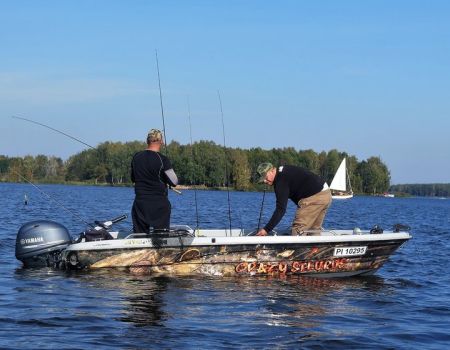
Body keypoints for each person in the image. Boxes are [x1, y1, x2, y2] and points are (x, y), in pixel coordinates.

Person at [255, 162, 331, 236]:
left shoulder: (280, 181)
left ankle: (298, 249)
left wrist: (266, 229)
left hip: (314, 197)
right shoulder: (283, 170)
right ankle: (316, 248)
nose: (265, 181)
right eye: (263, 180)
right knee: (313, 229)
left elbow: (281, 209)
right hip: (326, 193)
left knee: (298, 229)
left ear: (272, 170)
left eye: (266, 177)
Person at [131, 129, 178, 233]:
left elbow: (133, 178)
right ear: (161, 141)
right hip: (159, 207)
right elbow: (174, 181)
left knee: (140, 239)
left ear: (147, 141)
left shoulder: (136, 157)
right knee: (160, 239)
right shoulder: (163, 159)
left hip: (140, 206)